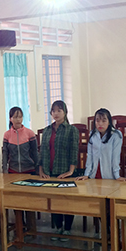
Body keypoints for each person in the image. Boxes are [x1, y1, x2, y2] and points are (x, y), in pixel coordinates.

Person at [39, 100, 79, 241]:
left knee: (67, 201)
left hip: (64, 171)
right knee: (54, 201)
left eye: (59, 110)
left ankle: (67, 229)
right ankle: (58, 227)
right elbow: (42, 151)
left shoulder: (71, 130)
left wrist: (71, 171)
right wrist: (41, 170)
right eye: (53, 111)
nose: (56, 113)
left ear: (65, 112)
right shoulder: (47, 130)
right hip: (49, 172)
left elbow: (74, 151)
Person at [2, 106, 39, 230]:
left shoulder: (29, 133)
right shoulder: (7, 135)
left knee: (29, 201)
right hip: (13, 172)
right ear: (10, 118)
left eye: (20, 116)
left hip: (29, 171)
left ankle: (31, 227)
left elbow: (35, 153)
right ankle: (20, 226)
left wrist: (38, 169)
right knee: (16, 201)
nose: (18, 119)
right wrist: (4, 170)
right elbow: (5, 154)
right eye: (15, 117)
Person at [78, 108, 126, 182]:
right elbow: (90, 156)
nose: (100, 124)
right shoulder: (92, 134)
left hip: (109, 175)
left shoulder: (116, 135)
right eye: (97, 120)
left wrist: (117, 176)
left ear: (109, 122)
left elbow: (116, 157)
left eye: (104, 120)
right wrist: (86, 174)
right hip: (93, 174)